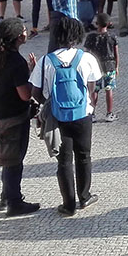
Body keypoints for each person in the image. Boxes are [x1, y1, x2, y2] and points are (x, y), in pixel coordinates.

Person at [29, 17, 103, 216]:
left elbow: (35, 93)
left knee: (64, 160)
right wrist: (89, 105)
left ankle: (68, 204)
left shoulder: (46, 61)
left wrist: (49, 101)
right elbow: (92, 86)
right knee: (84, 156)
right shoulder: (86, 58)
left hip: (57, 116)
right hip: (82, 114)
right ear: (77, 35)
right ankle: (85, 196)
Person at [0, 17, 40, 216]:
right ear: (19, 37)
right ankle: (14, 203)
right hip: (14, 118)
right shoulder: (16, 61)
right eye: (24, 30)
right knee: (14, 161)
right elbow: (25, 95)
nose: (26, 32)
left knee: (5, 158)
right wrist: (33, 76)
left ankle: (5, 196)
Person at [84, 13, 119, 123]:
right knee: (109, 89)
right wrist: (117, 67)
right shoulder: (112, 37)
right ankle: (109, 113)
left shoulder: (91, 37)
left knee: (94, 90)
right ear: (109, 24)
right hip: (109, 66)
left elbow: (86, 53)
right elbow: (116, 53)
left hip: (95, 67)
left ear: (96, 23)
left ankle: (92, 113)